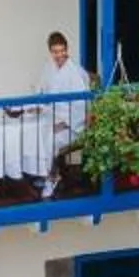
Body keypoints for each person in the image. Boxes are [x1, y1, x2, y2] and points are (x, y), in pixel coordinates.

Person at [33, 30, 94, 197]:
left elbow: (82, 104)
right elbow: (41, 89)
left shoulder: (75, 72)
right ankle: (43, 172)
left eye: (62, 51)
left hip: (73, 124)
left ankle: (52, 177)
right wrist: (38, 104)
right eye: (55, 52)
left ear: (67, 49)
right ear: (50, 51)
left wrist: (64, 123)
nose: (59, 55)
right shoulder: (49, 67)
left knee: (49, 139)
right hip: (51, 116)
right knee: (33, 131)